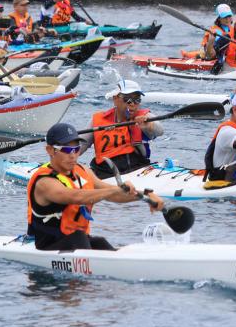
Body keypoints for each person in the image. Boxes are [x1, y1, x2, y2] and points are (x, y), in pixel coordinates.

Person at [26, 122, 163, 252]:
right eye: (66, 149)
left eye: (76, 149)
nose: (73, 155)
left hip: (77, 241)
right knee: (79, 238)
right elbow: (77, 197)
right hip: (48, 246)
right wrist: (115, 188)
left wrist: (146, 196)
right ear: (50, 150)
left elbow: (114, 195)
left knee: (100, 242)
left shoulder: (84, 171)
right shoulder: (44, 182)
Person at [80, 80, 163, 179]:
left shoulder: (143, 116)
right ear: (115, 99)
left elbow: (160, 131)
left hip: (137, 170)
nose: (132, 104)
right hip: (105, 174)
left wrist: (149, 125)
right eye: (128, 99)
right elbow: (80, 144)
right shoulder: (98, 120)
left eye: (137, 100)